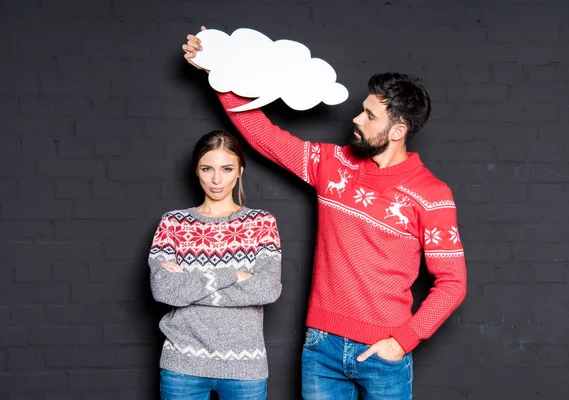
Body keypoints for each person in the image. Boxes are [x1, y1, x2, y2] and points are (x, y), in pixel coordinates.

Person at [182, 29, 467, 400]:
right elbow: (261, 134)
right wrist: (218, 68)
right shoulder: (331, 164)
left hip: (384, 353)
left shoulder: (432, 195)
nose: (356, 119)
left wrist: (403, 341)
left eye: (369, 115)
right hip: (321, 348)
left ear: (397, 130)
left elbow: (452, 283)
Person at [148, 130, 282, 400]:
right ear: (197, 171)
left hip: (246, 366)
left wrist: (191, 284)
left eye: (226, 168)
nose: (217, 179)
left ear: (239, 171)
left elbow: (267, 289)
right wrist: (232, 274)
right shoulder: (173, 223)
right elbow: (164, 291)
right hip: (182, 364)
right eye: (207, 168)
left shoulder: (261, 223)